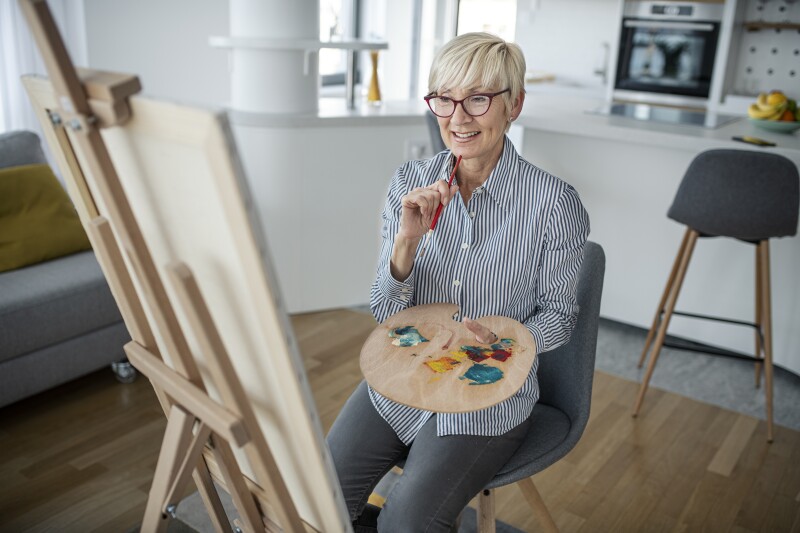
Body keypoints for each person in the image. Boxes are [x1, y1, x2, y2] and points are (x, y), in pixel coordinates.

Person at [327, 32, 589, 532]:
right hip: (400, 380)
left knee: (406, 523)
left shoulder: (554, 204)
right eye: (444, 99)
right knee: (319, 501)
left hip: (486, 395)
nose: (458, 117)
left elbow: (559, 315)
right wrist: (406, 243)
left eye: (477, 99)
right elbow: (385, 310)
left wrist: (508, 341)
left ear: (514, 105)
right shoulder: (408, 184)